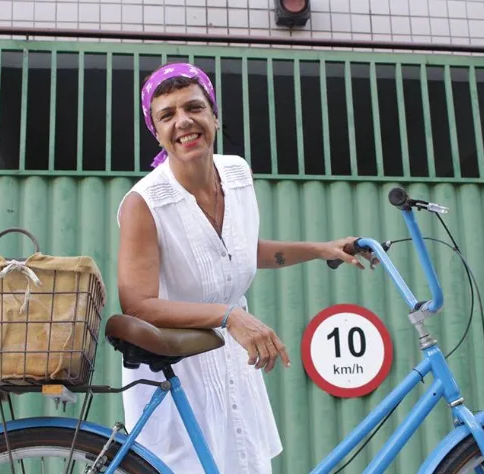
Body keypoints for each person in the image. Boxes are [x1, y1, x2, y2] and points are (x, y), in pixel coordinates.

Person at [116, 63, 374, 474]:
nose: (184, 121)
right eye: (167, 115)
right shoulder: (144, 203)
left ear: (214, 116)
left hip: (233, 358)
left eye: (194, 107)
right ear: (157, 131)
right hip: (176, 363)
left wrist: (320, 248)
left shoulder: (237, 174)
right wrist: (229, 315)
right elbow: (137, 303)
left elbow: (235, 252)